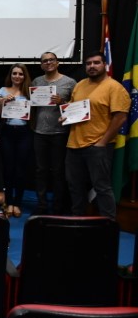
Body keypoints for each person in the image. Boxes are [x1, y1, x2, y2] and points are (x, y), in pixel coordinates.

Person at [64, 51, 130, 219]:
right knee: (75, 187)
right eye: (88, 63)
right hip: (74, 144)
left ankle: (108, 225)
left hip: (98, 146)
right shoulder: (80, 85)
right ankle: (77, 222)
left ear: (104, 65)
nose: (92, 66)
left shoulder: (114, 87)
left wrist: (103, 141)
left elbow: (121, 116)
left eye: (96, 63)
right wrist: (64, 116)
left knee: (102, 187)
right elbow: (73, 108)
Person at [31, 52, 76, 215]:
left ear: (57, 63)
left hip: (60, 133)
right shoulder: (37, 81)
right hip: (39, 133)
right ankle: (41, 206)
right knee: (40, 170)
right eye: (45, 61)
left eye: (51, 60)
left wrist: (62, 102)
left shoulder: (69, 82)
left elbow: (77, 107)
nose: (48, 63)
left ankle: (58, 207)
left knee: (58, 171)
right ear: (41, 65)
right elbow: (33, 107)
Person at [0, 63, 32, 218]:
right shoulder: (3, 91)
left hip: (24, 133)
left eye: (20, 74)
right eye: (14, 73)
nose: (17, 76)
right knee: (8, 169)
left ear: (24, 76)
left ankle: (17, 203)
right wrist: (2, 102)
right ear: (10, 75)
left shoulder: (29, 92)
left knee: (21, 169)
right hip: (7, 132)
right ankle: (9, 202)